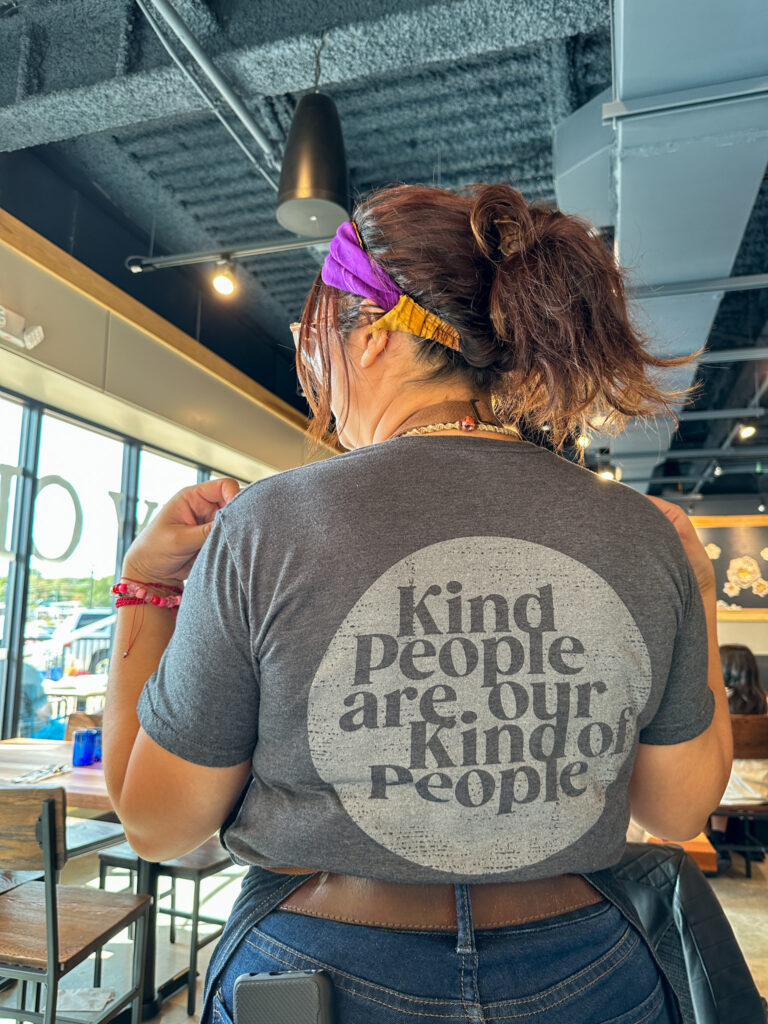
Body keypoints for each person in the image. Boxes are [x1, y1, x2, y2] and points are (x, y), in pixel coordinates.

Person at [103, 184, 732, 1024]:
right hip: (586, 969)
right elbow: (677, 810)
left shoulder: (268, 523)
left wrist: (146, 591)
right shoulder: (642, 533)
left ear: (367, 337)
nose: (313, 362)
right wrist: (697, 591)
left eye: (312, 337)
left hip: (319, 971)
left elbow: (156, 824)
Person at [710, 644, 767, 854]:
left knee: (714, 773)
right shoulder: (765, 704)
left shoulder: (717, 705)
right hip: (761, 788)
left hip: (724, 791)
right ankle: (744, 840)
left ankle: (715, 839)